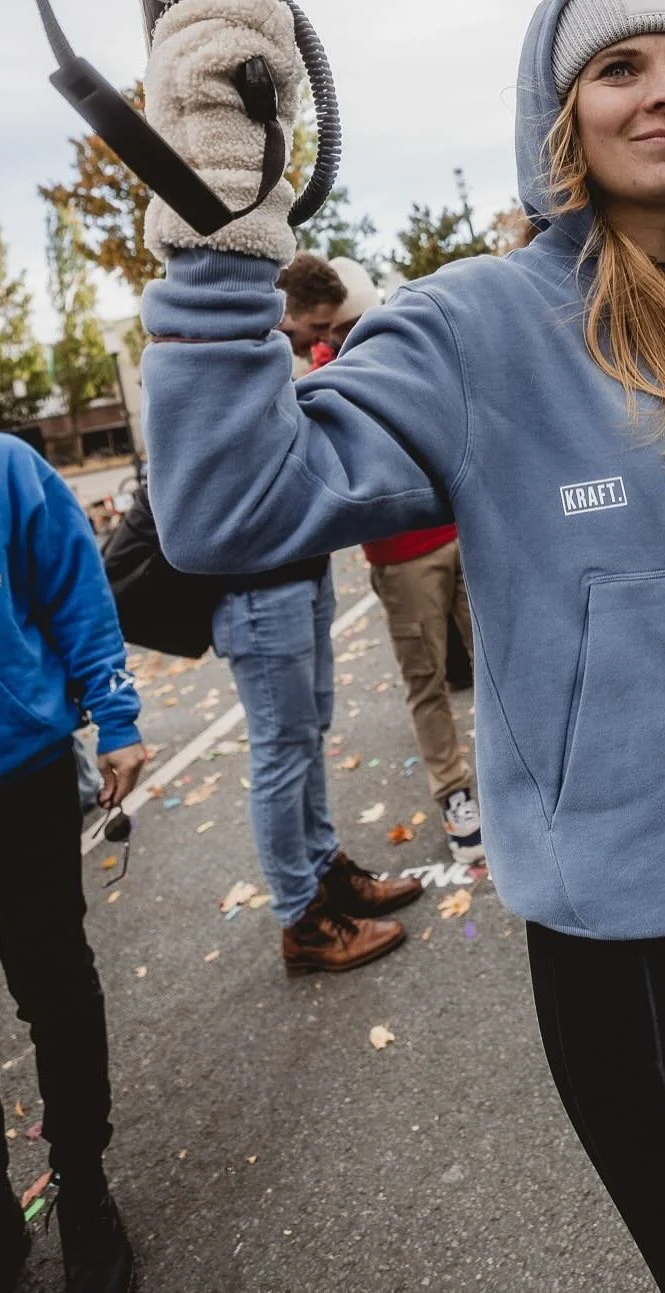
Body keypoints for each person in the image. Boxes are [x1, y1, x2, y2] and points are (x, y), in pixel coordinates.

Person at [137, 0, 665, 1290]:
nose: (664, 93)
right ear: (558, 115)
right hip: (654, 960)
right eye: (620, 69)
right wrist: (215, 233)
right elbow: (231, 509)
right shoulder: (472, 323)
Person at [0, 375, 145, 1293]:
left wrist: (118, 715)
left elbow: (75, 593)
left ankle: (84, 1186)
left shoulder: (0, 466)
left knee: (53, 989)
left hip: (20, 778)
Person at [207, 250, 425, 974]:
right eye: (315, 327)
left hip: (298, 577)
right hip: (256, 587)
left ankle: (326, 869)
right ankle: (301, 917)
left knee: (306, 737)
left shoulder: (276, 357)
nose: (315, 340)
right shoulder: (231, 358)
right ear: (284, 306)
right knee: (279, 751)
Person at [327, 259, 484, 863]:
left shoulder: (404, 347)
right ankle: (454, 795)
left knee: (500, 663)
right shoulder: (331, 371)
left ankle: (527, 777)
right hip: (400, 555)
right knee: (427, 681)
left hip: (460, 531)